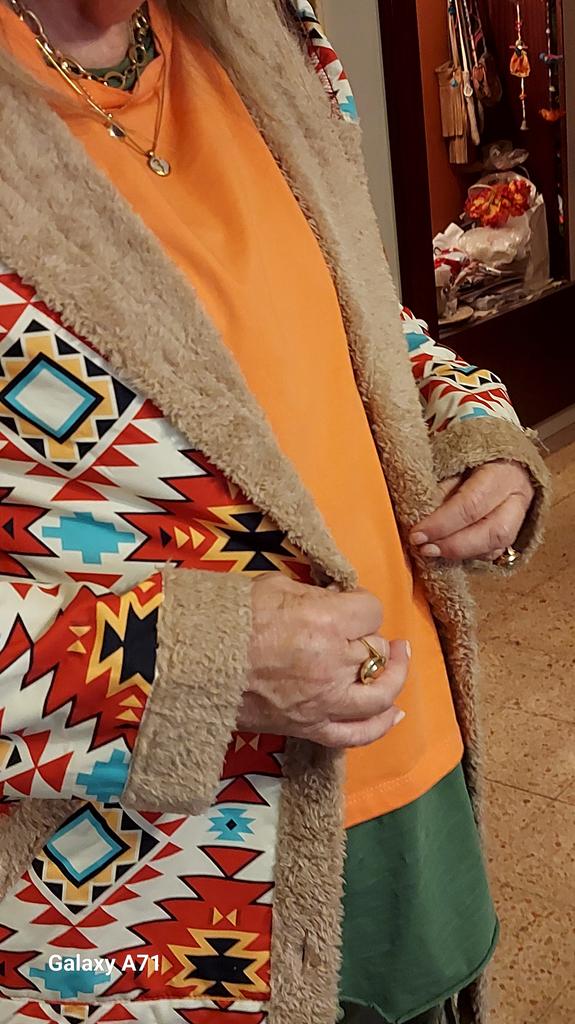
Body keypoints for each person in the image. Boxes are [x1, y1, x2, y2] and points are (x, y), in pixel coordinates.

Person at [0, 2, 550, 1024]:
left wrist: (476, 426)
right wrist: (181, 661)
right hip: (137, 888)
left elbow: (359, 315)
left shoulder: (270, 32)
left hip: (407, 762)